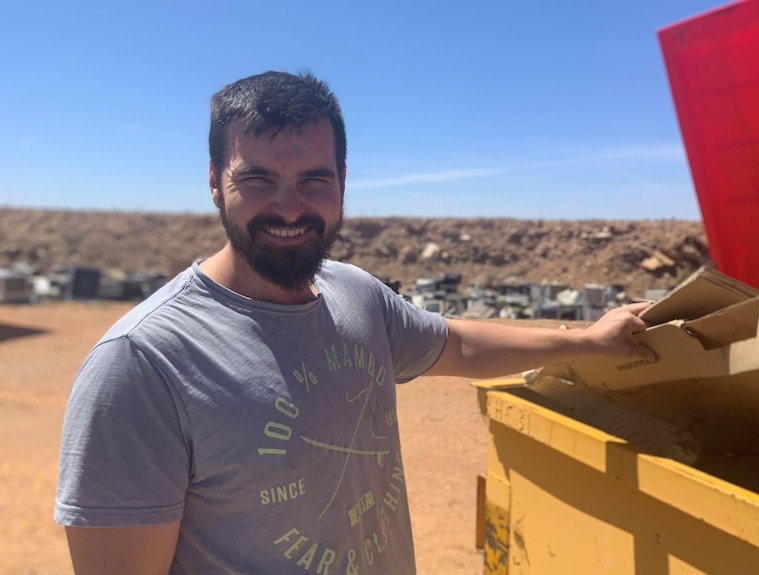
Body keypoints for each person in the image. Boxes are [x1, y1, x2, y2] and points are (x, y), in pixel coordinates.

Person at [54, 70, 655, 575]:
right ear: (215, 182)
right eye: (257, 178)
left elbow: (461, 346)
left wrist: (592, 339)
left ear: (343, 183)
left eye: (315, 178)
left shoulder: (356, 294)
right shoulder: (142, 364)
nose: (290, 206)